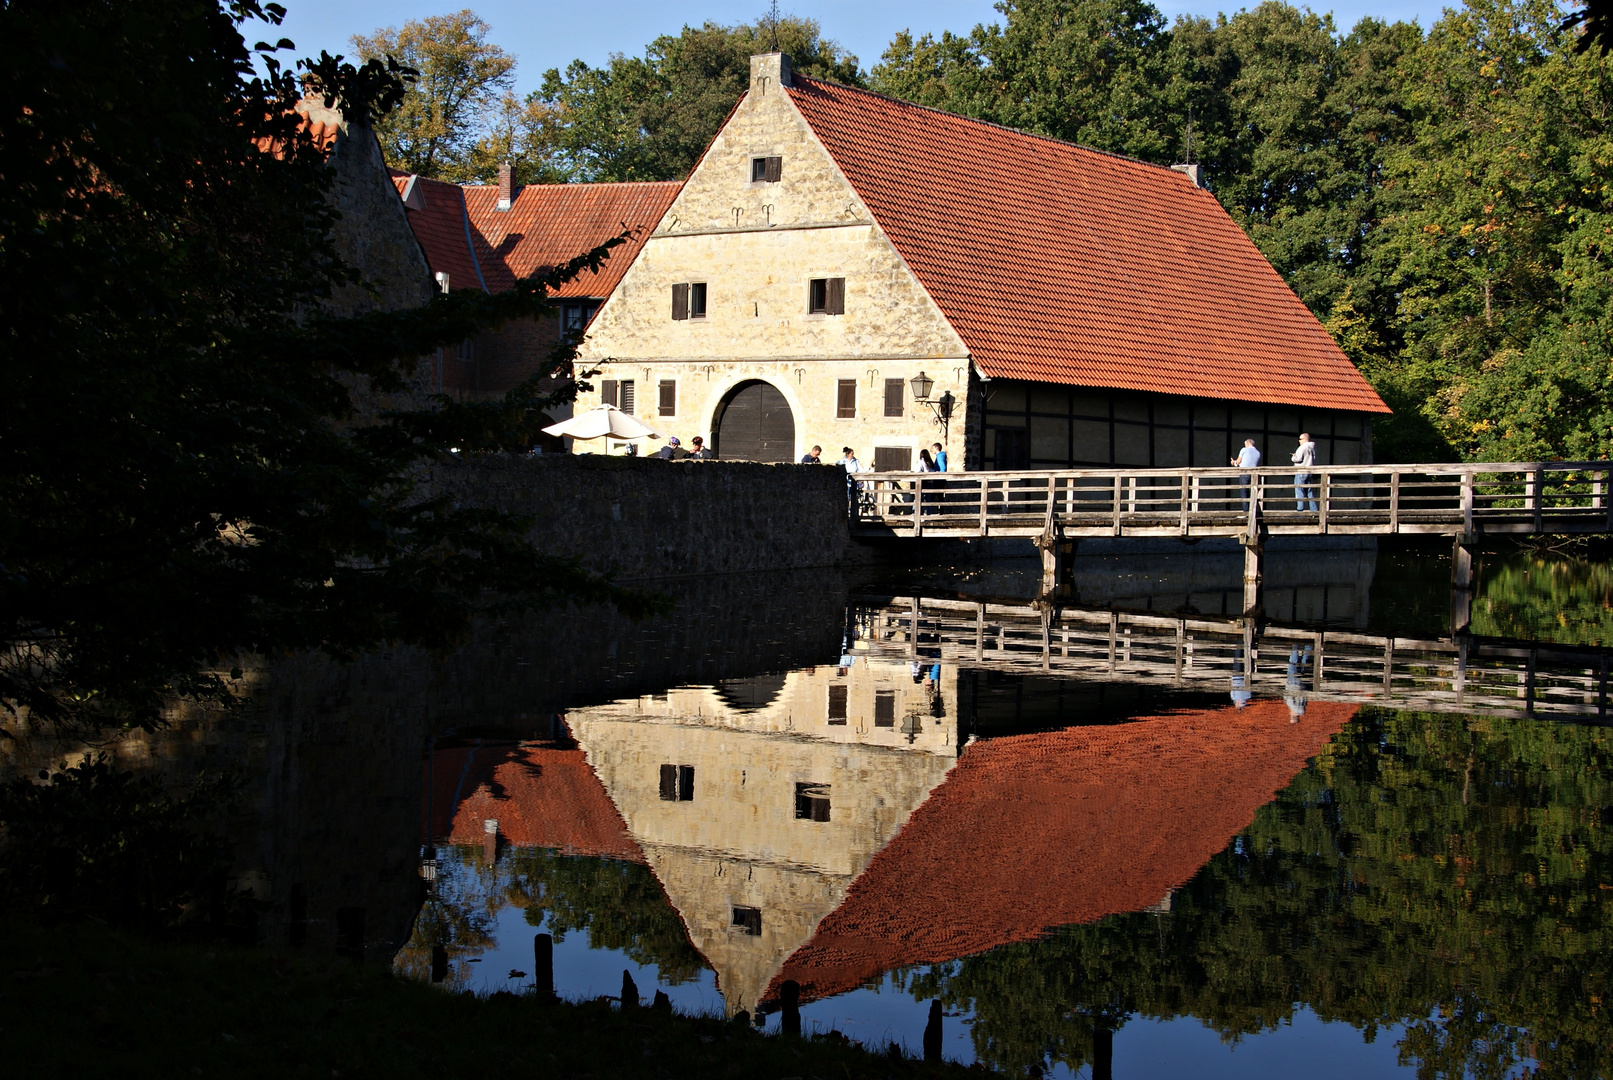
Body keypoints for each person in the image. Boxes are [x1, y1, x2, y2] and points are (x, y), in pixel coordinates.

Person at [1231, 438, 1261, 510]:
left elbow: (1237, 462)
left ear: (1247, 443)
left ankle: (1246, 511)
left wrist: (1233, 462)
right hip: (1254, 474)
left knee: (1244, 492)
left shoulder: (1244, 450)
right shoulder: (1258, 452)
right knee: (1253, 492)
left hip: (1244, 473)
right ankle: (1254, 510)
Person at [1291, 432, 1318, 512]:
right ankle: (1314, 510)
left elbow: (1298, 459)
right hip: (1309, 471)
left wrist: (1293, 457)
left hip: (1301, 471)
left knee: (1299, 491)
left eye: (1300, 439)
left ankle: (1300, 511)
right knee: (1309, 491)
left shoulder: (1302, 447)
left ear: (1304, 439)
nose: (1299, 441)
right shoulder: (1313, 447)